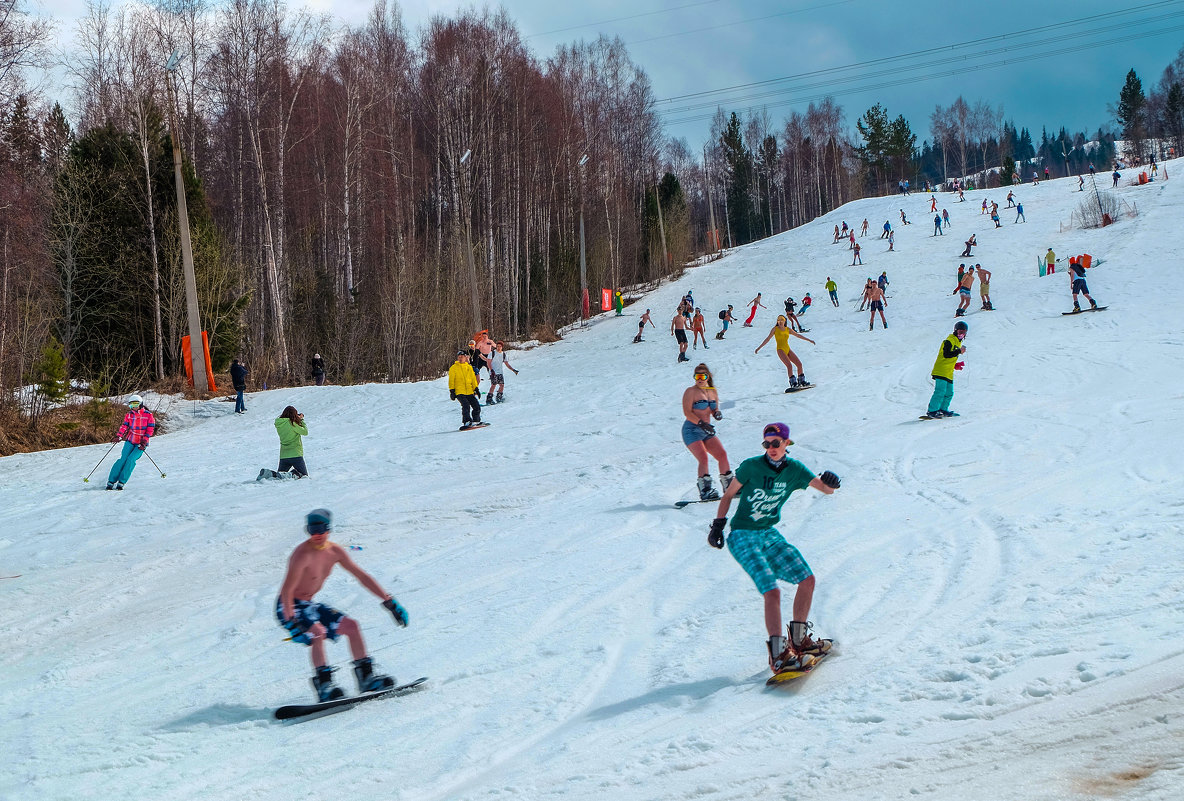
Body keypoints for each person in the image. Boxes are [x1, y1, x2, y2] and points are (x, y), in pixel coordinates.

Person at [707, 422, 840, 674]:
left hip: (769, 533)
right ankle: (778, 655)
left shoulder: (795, 470)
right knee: (772, 591)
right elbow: (728, 495)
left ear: (787, 443)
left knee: (807, 579)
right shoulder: (750, 467)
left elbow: (825, 489)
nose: (771, 448)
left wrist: (833, 483)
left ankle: (799, 641)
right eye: (766, 444)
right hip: (743, 535)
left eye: (776, 443)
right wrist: (718, 525)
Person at [277, 508, 409, 701]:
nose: (316, 534)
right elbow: (287, 591)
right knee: (318, 632)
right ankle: (324, 686)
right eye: (311, 530)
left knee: (351, 626)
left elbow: (362, 576)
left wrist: (389, 601)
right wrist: (291, 622)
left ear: (328, 528)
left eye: (320, 528)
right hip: (288, 605)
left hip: (308, 604)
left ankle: (366, 678)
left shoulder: (335, 551)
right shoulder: (301, 554)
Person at [682, 364, 732, 502]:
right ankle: (705, 490)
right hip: (692, 430)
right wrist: (701, 424)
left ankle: (729, 486)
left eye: (702, 376)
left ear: (707, 377)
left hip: (706, 430)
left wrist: (717, 413)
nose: (699, 379)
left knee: (722, 454)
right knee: (703, 457)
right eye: (696, 376)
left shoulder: (712, 391)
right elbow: (687, 412)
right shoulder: (690, 392)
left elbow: (714, 407)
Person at [106, 395, 155, 490]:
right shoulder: (129, 415)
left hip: (141, 444)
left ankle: (122, 481)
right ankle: (111, 481)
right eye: (131, 405)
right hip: (130, 440)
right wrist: (119, 436)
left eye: (136, 404)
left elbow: (150, 429)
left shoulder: (148, 415)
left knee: (131, 460)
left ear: (141, 404)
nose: (134, 406)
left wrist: (144, 440)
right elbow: (124, 426)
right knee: (123, 459)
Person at [755, 315, 815, 390]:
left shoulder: (787, 329)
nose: (780, 322)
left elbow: (798, 335)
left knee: (799, 364)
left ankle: (802, 381)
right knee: (789, 365)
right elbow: (767, 339)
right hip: (780, 349)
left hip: (787, 349)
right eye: (779, 320)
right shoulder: (775, 329)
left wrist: (809, 340)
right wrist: (759, 348)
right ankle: (793, 383)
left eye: (782, 320)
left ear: (785, 321)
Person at [925, 321, 967, 418]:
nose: (962, 334)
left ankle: (943, 409)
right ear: (955, 331)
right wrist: (959, 351)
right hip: (941, 371)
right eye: (960, 331)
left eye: (964, 332)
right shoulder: (949, 340)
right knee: (940, 391)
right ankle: (932, 411)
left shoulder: (957, 342)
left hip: (948, 372)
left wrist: (955, 365)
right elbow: (946, 354)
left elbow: (949, 357)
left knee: (949, 393)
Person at [448, 351, 483, 430]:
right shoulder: (454, 368)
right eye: (459, 357)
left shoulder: (469, 367)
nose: (460, 358)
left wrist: (476, 389)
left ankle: (476, 421)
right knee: (466, 405)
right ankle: (467, 421)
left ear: (466, 357)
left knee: (476, 406)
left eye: (462, 357)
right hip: (460, 391)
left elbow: (473, 379)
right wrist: (452, 391)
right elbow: (451, 380)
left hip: (469, 391)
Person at [273, 405, 309, 477]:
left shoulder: (279, 424)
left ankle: (271, 475)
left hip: (284, 455)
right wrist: (301, 420)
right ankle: (292, 474)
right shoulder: (292, 423)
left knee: (280, 476)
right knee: (304, 475)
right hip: (295, 454)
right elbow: (305, 432)